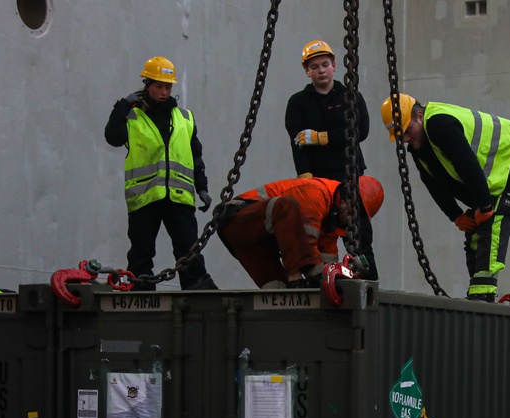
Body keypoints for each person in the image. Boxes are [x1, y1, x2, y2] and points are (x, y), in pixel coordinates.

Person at [380, 93, 510, 302]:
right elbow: (432, 182)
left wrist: (485, 206)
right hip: (494, 176)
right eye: (400, 135)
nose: (405, 138)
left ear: (420, 116)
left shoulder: (439, 124)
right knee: (476, 230)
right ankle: (478, 292)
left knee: (493, 221)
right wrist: (456, 215)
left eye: (407, 130)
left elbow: (466, 164)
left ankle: (482, 296)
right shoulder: (419, 147)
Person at [104, 55, 217, 291]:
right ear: (147, 85)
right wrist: (123, 105)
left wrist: (202, 187)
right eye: (159, 86)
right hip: (145, 197)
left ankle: (198, 288)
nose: (164, 92)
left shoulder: (185, 118)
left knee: (188, 248)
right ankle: (140, 291)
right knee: (141, 250)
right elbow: (112, 137)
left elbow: (196, 156)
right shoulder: (133, 116)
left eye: (168, 87)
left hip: (179, 196)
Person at [284, 40, 378, 281]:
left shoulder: (351, 97)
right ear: (307, 71)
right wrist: (304, 177)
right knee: (320, 238)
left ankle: (368, 283)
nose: (321, 70)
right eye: (315, 66)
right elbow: (297, 144)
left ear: (335, 66)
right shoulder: (298, 103)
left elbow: (361, 131)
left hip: (349, 178)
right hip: (319, 182)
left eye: (325, 64)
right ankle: (325, 282)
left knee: (359, 237)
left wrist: (320, 137)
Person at [216, 176, 384, 289]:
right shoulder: (316, 193)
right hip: (237, 219)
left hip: (257, 242)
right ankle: (294, 277)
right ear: (350, 202)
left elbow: (326, 263)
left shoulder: (330, 225)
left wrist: (336, 282)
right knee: (285, 205)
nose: (351, 222)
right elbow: (306, 245)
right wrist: (316, 278)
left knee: (279, 298)